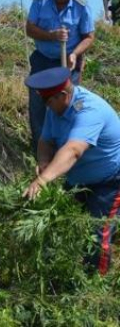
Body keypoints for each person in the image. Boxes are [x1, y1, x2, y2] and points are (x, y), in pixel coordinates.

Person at [22, 67, 120, 275]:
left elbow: (74, 150)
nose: (45, 106)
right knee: (63, 224)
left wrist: (42, 180)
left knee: (97, 233)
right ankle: (61, 274)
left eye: (48, 101)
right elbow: (46, 140)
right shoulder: (55, 109)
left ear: (63, 95)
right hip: (77, 180)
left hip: (110, 181)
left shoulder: (89, 111)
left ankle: (94, 287)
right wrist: (43, 160)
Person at [25, 0, 95, 152]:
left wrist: (74, 54)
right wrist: (51, 35)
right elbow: (29, 29)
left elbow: (89, 37)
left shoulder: (82, 5)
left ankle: (66, 148)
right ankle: (39, 149)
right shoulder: (40, 2)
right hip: (44, 60)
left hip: (70, 63)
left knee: (69, 104)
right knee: (39, 101)